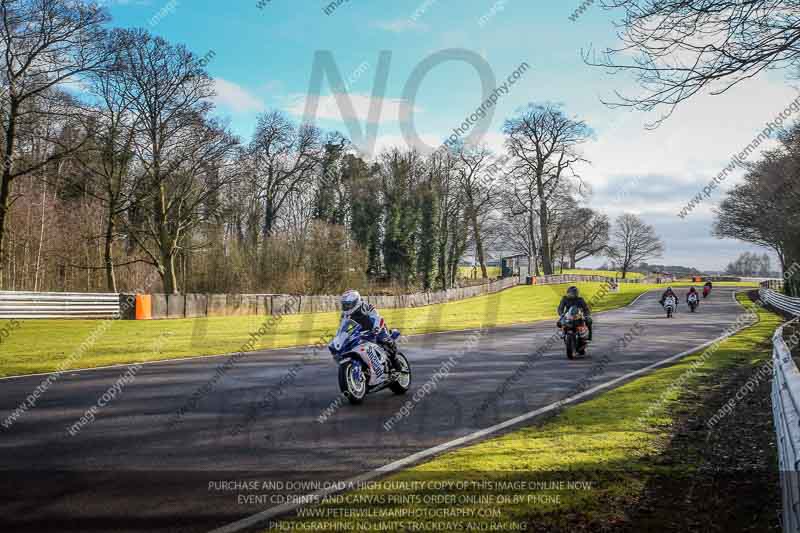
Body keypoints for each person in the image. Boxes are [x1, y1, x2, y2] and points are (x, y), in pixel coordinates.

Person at [340, 290, 401, 370]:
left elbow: (377, 317)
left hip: (376, 329)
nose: (346, 307)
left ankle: (396, 362)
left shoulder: (366, 306)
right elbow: (343, 327)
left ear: (356, 302)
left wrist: (376, 329)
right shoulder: (345, 315)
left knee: (385, 341)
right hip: (360, 334)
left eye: (348, 305)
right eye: (344, 305)